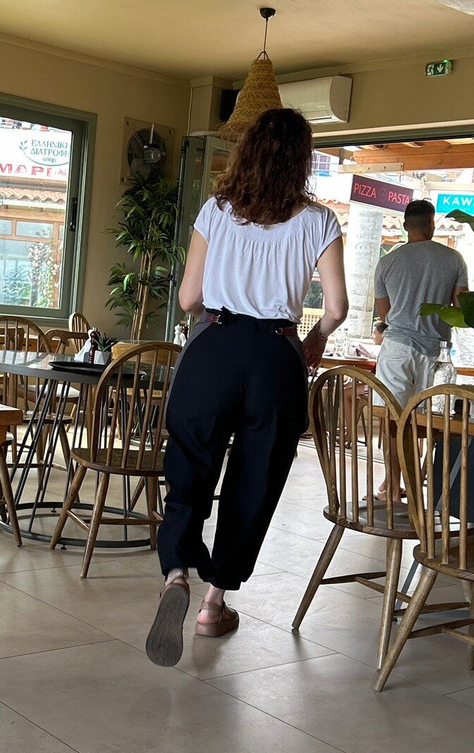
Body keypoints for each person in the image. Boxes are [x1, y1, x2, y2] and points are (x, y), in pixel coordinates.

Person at [145, 108, 347, 667]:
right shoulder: (319, 221)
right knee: (255, 479)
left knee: (190, 463)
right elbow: (335, 308)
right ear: (302, 159)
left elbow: (188, 299)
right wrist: (315, 340)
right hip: (277, 355)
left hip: (214, 346)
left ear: (247, 152)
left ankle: (176, 573)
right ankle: (214, 604)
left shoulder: (216, 209)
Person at [373, 199, 467, 500]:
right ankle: (416, 486)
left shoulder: (388, 262)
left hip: (397, 348)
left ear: (405, 226)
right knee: (426, 421)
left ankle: (392, 486)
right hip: (436, 353)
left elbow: (385, 314)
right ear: (432, 224)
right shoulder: (453, 259)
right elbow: (461, 308)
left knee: (393, 418)